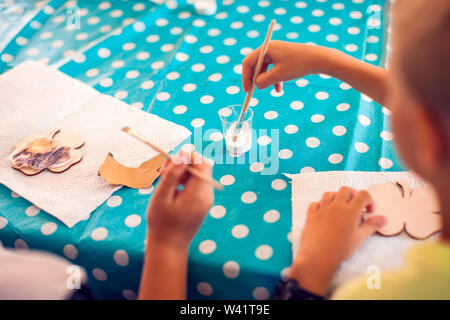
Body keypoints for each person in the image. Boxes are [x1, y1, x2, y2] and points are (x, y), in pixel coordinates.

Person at [242, 0, 450, 299]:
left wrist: (310, 272)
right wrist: (326, 60)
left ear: (427, 134)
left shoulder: (374, 293)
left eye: (399, 83)